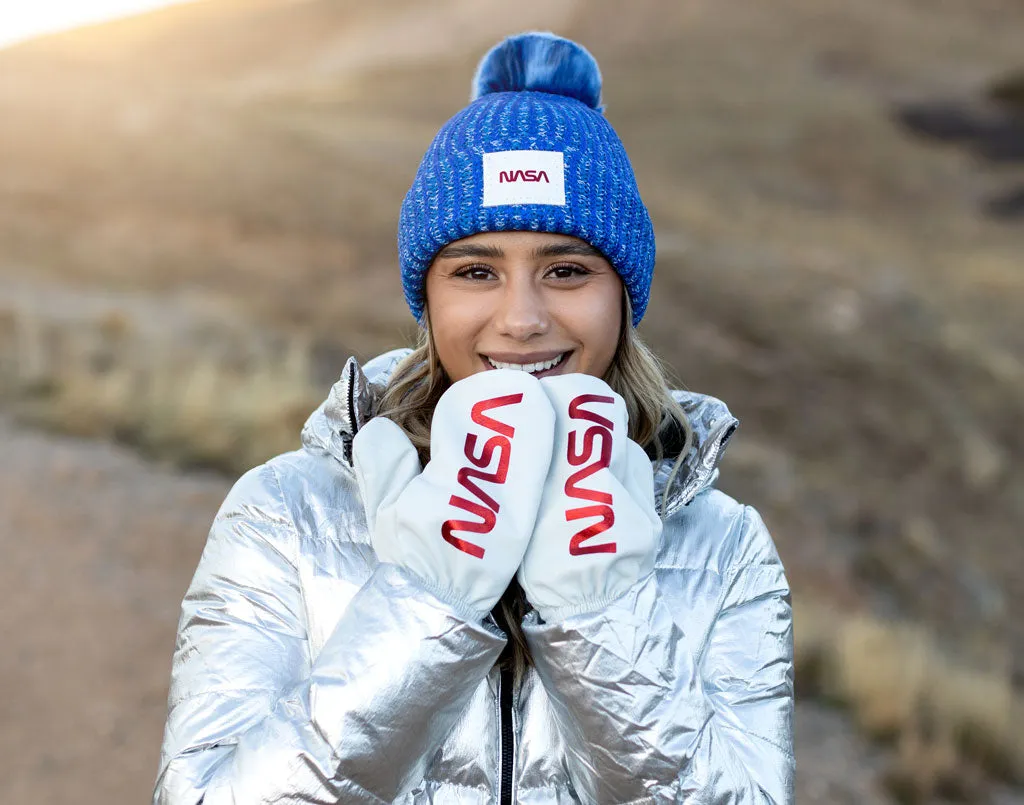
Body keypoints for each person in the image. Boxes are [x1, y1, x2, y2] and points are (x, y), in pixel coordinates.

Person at [153, 31, 794, 805]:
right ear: (429, 300)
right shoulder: (284, 514)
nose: (521, 318)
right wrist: (427, 602)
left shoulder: (724, 547)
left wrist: (603, 612)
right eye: (476, 271)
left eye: (566, 270)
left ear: (623, 296)